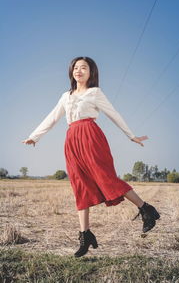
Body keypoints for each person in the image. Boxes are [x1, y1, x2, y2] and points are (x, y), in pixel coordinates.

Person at [22, 56, 160, 258]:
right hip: (72, 140)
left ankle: (146, 209)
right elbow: (52, 117)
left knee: (106, 179)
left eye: (83, 68)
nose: (79, 70)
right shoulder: (65, 96)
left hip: (91, 137)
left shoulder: (95, 93)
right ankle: (85, 235)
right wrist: (34, 136)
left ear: (91, 72)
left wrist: (131, 136)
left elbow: (114, 114)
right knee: (80, 185)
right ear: (71, 72)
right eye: (76, 67)